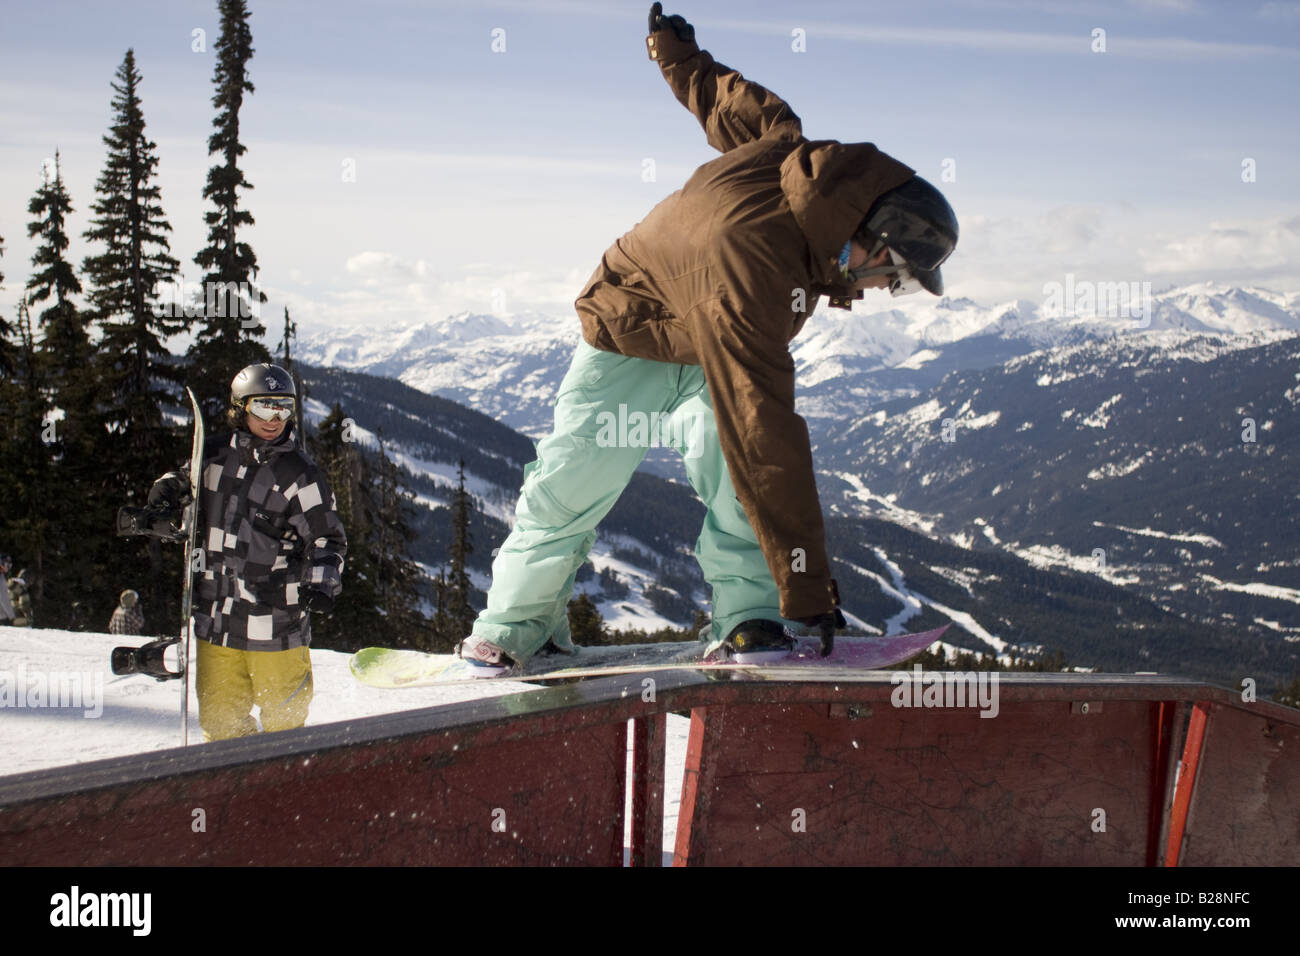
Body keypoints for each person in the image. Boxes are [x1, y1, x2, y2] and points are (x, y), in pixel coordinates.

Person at [456, 6, 959, 675]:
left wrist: (674, 53)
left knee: (728, 478)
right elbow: (765, 433)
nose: (879, 287)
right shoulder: (754, 263)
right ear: (869, 231)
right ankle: (515, 628)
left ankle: (749, 620)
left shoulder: (789, 151)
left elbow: (722, 97)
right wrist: (808, 588)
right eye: (891, 273)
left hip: (711, 336)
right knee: (574, 480)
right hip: (630, 333)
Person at [147, 364, 346, 740]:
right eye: (263, 407)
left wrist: (321, 583)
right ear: (240, 408)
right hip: (216, 623)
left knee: (284, 725)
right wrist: (167, 491)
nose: (274, 419)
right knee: (221, 725)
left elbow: (327, 538)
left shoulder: (299, 474)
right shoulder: (214, 456)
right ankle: (234, 792)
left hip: (276, 622)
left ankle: (282, 788)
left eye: (283, 408)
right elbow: (184, 481)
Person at [0, 554, 14, 625]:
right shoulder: (1, 579)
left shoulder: (2, 575)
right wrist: (12, 616)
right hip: (2, 618)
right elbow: (3, 599)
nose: (8, 568)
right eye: (6, 565)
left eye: (10, 565)